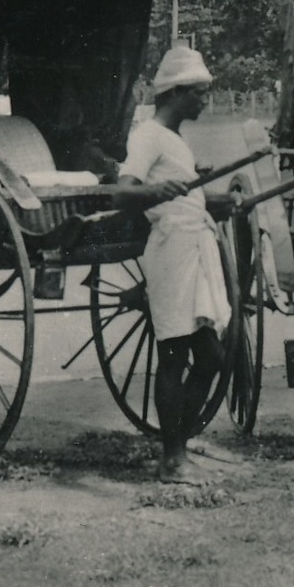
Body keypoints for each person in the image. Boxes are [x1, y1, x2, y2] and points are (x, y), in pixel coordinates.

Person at [115, 47, 240, 485]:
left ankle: (178, 448)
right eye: (199, 93)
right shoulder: (148, 136)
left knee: (211, 357)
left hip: (195, 248)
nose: (204, 101)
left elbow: (188, 197)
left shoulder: (176, 141)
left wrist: (218, 201)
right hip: (170, 252)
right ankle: (171, 459)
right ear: (176, 93)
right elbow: (123, 193)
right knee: (173, 355)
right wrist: (158, 192)